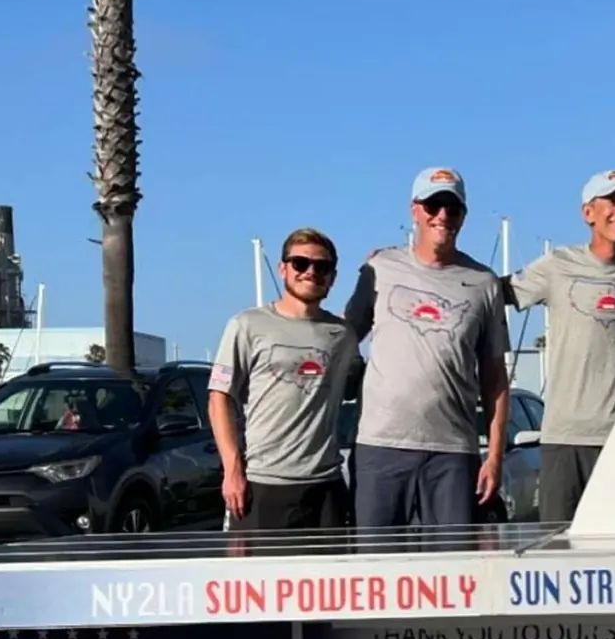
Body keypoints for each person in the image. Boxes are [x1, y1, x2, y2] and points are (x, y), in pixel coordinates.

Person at [342, 168, 509, 530]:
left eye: (453, 208)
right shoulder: (379, 267)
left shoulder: (485, 283)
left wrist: (494, 457)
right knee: (377, 561)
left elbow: (495, 378)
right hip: (380, 447)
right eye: (433, 206)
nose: (443, 216)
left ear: (463, 216)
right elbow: (340, 340)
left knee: (452, 562)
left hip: (453, 453)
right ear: (414, 210)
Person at [504, 170, 615, 522]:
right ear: (588, 213)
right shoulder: (557, 265)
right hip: (565, 439)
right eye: (613, 202)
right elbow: (491, 293)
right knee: (558, 546)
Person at [209, 227, 358, 529]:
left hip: (326, 486)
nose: (311, 272)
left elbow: (361, 385)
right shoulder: (247, 325)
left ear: (332, 276)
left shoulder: (343, 336)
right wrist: (232, 470)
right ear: (283, 269)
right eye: (300, 263)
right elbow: (219, 398)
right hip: (263, 484)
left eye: (322, 266)